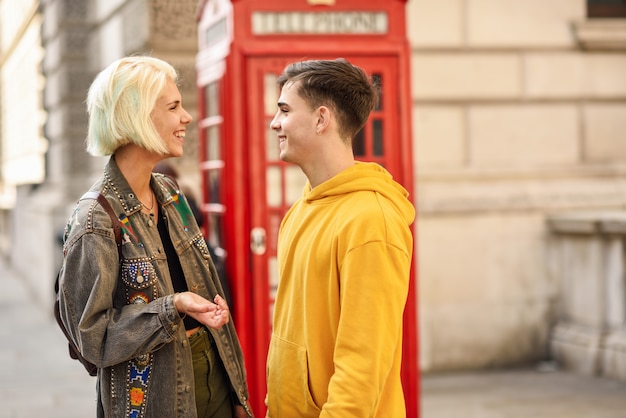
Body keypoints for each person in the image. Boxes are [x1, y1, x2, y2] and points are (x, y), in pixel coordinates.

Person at [56, 56, 253, 418]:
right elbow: (92, 338)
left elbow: (209, 293)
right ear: (137, 117)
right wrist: (170, 307)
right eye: (174, 107)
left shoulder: (171, 193)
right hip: (155, 398)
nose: (186, 117)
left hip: (214, 382)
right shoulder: (96, 219)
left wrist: (238, 395)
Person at [265, 58, 415, 417]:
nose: (274, 123)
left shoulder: (371, 222)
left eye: (284, 110)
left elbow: (362, 366)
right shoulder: (301, 208)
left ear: (321, 119)